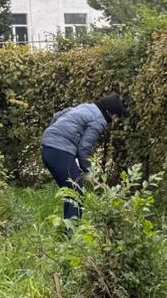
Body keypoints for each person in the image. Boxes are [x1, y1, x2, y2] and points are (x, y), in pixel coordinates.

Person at [41, 93, 127, 221]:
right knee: (76, 192)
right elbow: (84, 147)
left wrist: (53, 136)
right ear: (110, 113)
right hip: (59, 150)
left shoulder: (86, 107)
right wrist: (88, 170)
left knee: (71, 191)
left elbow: (57, 115)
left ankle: (67, 229)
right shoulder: (99, 120)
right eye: (116, 116)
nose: (115, 120)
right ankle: (72, 235)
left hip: (47, 147)